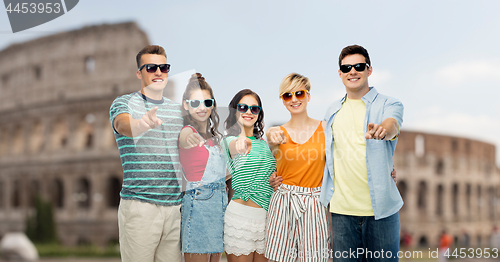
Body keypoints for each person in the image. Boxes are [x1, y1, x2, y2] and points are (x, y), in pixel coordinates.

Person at [319, 44, 404, 261]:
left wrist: (383, 130)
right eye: (346, 68)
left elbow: (392, 124)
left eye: (358, 66)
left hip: (381, 212)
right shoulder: (332, 111)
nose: (352, 72)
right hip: (341, 212)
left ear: (369, 69)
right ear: (340, 73)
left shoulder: (389, 103)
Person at [109, 45, 183, 262]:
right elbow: (122, 124)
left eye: (164, 67)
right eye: (151, 67)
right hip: (140, 207)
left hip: (175, 209)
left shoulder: (179, 111)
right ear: (139, 73)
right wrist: (141, 124)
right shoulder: (124, 103)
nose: (158, 72)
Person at [265, 73, 329, 262]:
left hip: (314, 202)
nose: (294, 99)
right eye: (287, 95)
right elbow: (269, 151)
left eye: (299, 93)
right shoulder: (277, 132)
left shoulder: (325, 128)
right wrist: (270, 133)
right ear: (283, 100)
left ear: (308, 96)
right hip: (284, 201)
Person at [222, 89, 276, 262]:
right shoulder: (229, 140)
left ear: (259, 114)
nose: (248, 112)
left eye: (254, 109)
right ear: (235, 110)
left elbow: (269, 177)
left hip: (266, 219)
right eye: (243, 107)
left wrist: (274, 180)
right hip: (240, 219)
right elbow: (236, 147)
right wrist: (241, 142)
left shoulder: (265, 145)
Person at [178, 73, 227, 262]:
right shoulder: (186, 131)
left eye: (207, 103)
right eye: (195, 103)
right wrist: (186, 138)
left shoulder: (216, 139)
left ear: (213, 104)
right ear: (186, 105)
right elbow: (183, 138)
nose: (202, 108)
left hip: (219, 207)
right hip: (198, 206)